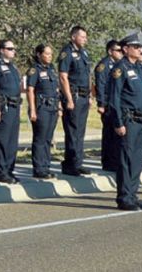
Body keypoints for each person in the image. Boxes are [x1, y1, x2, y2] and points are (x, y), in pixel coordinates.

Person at [108, 34, 142, 211]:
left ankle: (133, 194)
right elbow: (115, 98)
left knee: (136, 160)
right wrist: (119, 123)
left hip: (141, 119)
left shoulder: (140, 69)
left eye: (139, 47)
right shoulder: (120, 69)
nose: (139, 50)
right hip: (128, 119)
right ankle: (124, 197)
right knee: (126, 159)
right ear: (126, 49)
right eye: (135, 47)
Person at [58, 26, 93, 176]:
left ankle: (78, 162)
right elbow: (63, 76)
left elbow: (88, 75)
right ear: (73, 37)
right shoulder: (67, 53)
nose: (85, 39)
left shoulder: (84, 53)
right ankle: (70, 164)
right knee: (72, 131)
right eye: (82, 37)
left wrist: (90, 95)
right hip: (75, 96)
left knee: (80, 131)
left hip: (84, 96)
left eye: (85, 37)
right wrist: (69, 99)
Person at [0, 39, 22, 183]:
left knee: (12, 142)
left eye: (14, 48)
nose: (13, 51)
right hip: (4, 106)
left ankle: (9, 170)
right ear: (2, 50)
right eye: (10, 48)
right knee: (3, 140)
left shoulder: (13, 67)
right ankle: (0, 172)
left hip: (15, 107)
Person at [27, 44, 59, 179]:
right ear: (39, 55)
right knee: (40, 138)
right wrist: (33, 110)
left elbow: (56, 89)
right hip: (41, 107)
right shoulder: (35, 70)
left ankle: (46, 166)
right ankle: (39, 168)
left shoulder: (51, 69)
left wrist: (60, 107)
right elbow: (30, 90)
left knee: (47, 138)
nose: (49, 56)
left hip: (53, 107)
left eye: (51, 54)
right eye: (46, 54)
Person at [95, 39, 124, 171]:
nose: (121, 53)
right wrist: (101, 103)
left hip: (116, 103)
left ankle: (115, 160)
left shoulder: (120, 65)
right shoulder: (104, 65)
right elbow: (100, 85)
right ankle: (108, 162)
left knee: (116, 133)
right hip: (107, 103)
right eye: (118, 50)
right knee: (109, 133)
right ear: (110, 51)